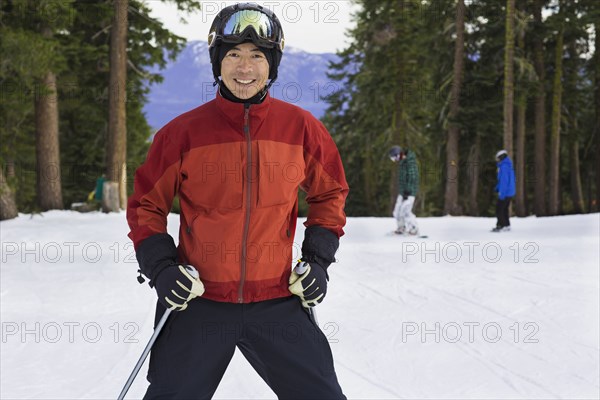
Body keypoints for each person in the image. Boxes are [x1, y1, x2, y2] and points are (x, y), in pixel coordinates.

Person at [126, 3, 349, 399]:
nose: (244, 68)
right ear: (218, 62)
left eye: (257, 56)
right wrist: (161, 269)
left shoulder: (302, 129)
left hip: (276, 299)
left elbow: (330, 193)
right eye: (233, 54)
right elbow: (146, 205)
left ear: (271, 65)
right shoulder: (182, 134)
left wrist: (317, 261)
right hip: (200, 300)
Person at [389, 145, 419, 235]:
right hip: (403, 192)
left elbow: (413, 177)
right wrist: (403, 192)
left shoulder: (410, 162)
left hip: (410, 192)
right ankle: (401, 227)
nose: (395, 160)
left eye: (394, 158)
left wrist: (408, 191)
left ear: (398, 155)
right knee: (397, 211)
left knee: (405, 211)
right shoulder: (402, 162)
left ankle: (414, 228)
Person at [493, 149, 516, 232]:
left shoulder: (504, 167)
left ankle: (501, 225)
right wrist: (497, 188)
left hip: (505, 193)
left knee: (499, 209)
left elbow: (504, 182)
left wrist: (501, 193)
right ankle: (506, 225)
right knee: (504, 209)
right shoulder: (507, 165)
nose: (497, 160)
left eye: (498, 158)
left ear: (502, 157)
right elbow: (503, 181)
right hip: (509, 192)